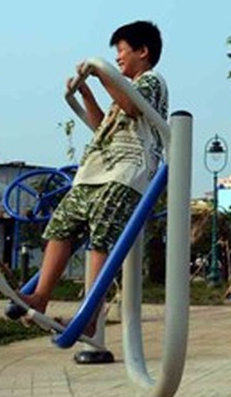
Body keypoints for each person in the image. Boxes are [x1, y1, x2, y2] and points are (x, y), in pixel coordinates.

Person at [20, 21, 168, 338]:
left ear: (143, 52)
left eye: (122, 52)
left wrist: (101, 74)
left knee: (101, 234)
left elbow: (132, 106)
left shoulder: (151, 83)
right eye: (114, 56)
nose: (118, 60)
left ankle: (89, 315)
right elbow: (103, 124)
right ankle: (40, 296)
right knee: (62, 224)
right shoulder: (124, 92)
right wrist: (87, 92)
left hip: (127, 172)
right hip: (96, 171)